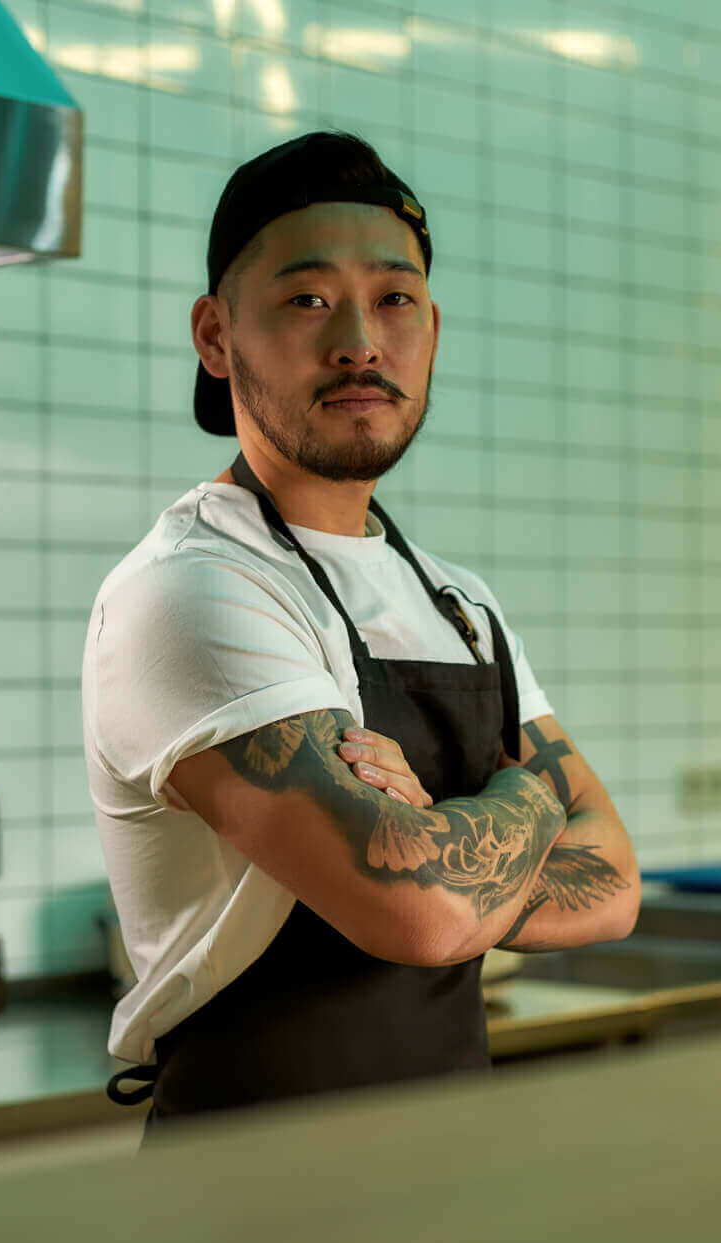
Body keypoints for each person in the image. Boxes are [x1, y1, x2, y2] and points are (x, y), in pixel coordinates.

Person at [82, 131, 639, 1136]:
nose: (359, 342)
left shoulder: (460, 602)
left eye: (394, 300)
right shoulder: (194, 590)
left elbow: (616, 883)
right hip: (257, 1184)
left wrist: (440, 856)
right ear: (215, 336)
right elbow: (418, 914)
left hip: (448, 1165)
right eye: (307, 300)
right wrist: (522, 798)